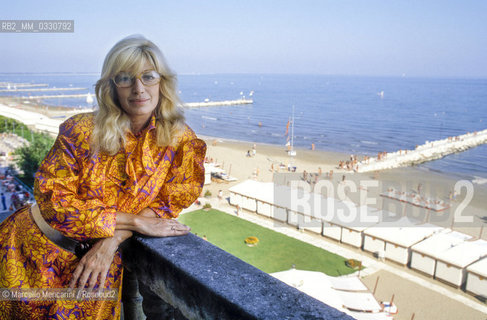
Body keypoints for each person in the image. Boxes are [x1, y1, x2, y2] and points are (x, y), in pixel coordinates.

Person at [0, 35, 206, 319]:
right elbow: (54, 202)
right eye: (125, 78)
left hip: (96, 269)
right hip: (28, 253)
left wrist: (111, 241)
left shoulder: (181, 142)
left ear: (162, 82)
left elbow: (167, 203)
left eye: (148, 77)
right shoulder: (81, 130)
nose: (138, 88)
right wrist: (133, 221)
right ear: (112, 86)